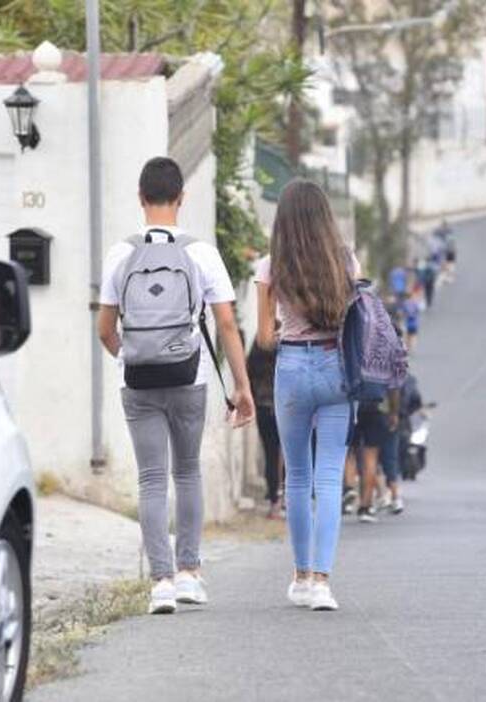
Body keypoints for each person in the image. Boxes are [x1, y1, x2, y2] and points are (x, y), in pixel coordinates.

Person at [97, 157, 255, 615]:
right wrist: (241, 386)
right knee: (186, 472)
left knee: (151, 478)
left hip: (137, 382)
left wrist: (131, 356)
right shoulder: (201, 253)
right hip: (191, 377)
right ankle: (189, 573)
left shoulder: (120, 254)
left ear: (141, 198)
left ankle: (161, 583)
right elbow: (227, 324)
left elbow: (104, 330)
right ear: (181, 199)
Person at [255, 179, 359, 612]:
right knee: (329, 476)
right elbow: (355, 321)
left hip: (293, 369)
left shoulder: (271, 267)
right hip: (337, 368)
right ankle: (322, 582)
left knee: (296, 477)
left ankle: (299, 577)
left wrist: (287, 329)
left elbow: (264, 338)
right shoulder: (345, 261)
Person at [247, 343, 282, 519]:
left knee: (270, 454)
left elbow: (249, 373)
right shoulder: (286, 345)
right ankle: (285, 499)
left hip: (264, 406)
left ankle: (275, 500)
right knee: (291, 455)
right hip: (286, 406)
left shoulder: (258, 347)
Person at [354, 395, 401, 522]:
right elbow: (394, 388)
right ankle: (365, 506)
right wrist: (394, 412)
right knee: (371, 458)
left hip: (353, 408)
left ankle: (348, 490)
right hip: (376, 409)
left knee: (350, 454)